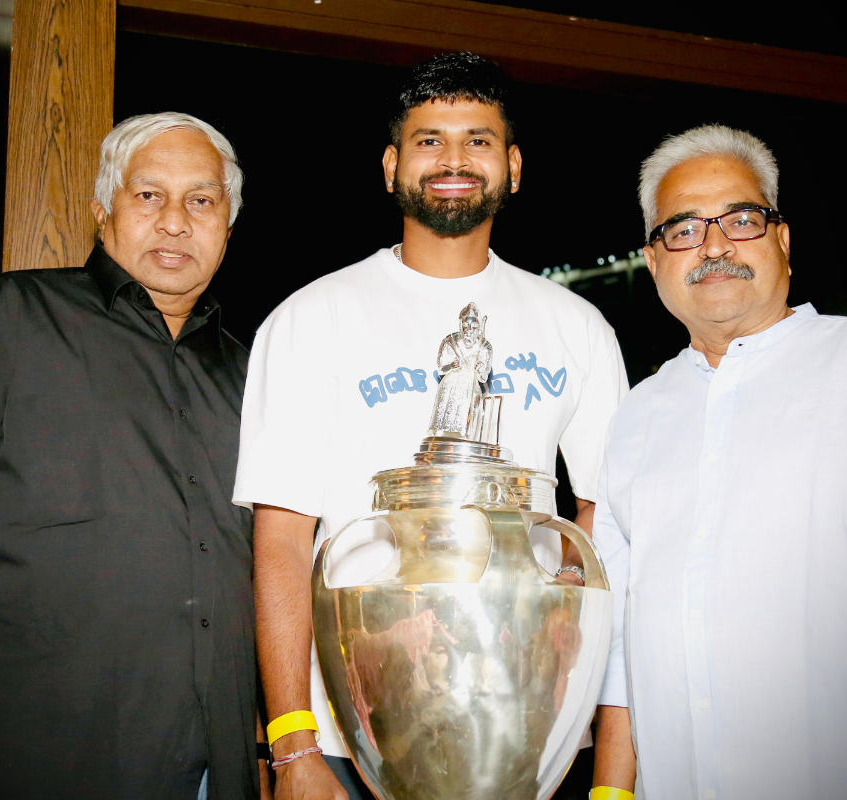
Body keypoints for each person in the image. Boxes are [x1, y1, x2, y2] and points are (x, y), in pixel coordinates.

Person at [234, 52, 628, 800]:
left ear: (513, 166)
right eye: (429, 140)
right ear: (390, 166)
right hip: (348, 727)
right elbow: (282, 538)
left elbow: (606, 510)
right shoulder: (311, 318)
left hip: (527, 722)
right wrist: (292, 745)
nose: (454, 159)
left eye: (478, 140)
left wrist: (565, 613)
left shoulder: (576, 325)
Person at [589, 124, 847, 800]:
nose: (715, 246)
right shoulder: (636, 417)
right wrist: (610, 793)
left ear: (782, 238)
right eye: (684, 229)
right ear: (653, 260)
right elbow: (623, 649)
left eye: (741, 218)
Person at [0, 112, 263, 800]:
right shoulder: (5, 317)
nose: (175, 220)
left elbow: (265, 571)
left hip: (209, 770)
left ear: (228, 223)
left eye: (201, 199)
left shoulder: (255, 373)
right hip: (26, 760)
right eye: (148, 194)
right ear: (102, 208)